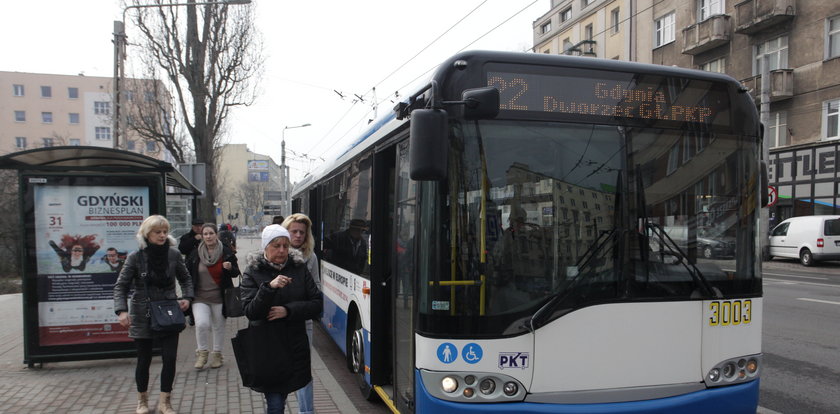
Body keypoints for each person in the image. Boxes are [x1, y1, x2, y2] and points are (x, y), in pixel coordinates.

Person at [113, 215, 193, 414]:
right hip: (142, 313)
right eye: (158, 232)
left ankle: (165, 402)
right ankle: (142, 400)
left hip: (168, 312)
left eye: (165, 231)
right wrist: (121, 311)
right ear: (147, 234)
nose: (162, 235)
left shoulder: (173, 255)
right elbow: (120, 286)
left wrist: (187, 298)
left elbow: (186, 279)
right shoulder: (136, 257)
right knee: (144, 360)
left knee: (170, 358)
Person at [241, 225, 323, 414]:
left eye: (285, 246)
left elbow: (317, 304)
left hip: (294, 345)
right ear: (265, 247)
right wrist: (268, 287)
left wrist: (288, 310)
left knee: (285, 393)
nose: (281, 251)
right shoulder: (252, 272)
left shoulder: (299, 268)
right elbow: (251, 312)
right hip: (268, 347)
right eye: (276, 245)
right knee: (276, 404)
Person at [186, 223, 240, 370]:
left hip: (220, 297)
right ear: (202, 236)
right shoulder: (195, 254)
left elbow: (236, 272)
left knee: (218, 327)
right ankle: (202, 353)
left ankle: (217, 354)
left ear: (216, 234)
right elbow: (187, 275)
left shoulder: (226, 252)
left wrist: (230, 268)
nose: (208, 236)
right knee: (202, 324)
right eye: (205, 234)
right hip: (199, 297)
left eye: (211, 233)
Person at [281, 214, 320, 414]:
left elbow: (317, 288)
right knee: (278, 369)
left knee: (303, 369)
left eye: (302, 232)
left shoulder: (310, 256)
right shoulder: (277, 253)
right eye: (294, 231)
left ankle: (306, 411)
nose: (297, 235)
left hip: (303, 321)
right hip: (277, 322)